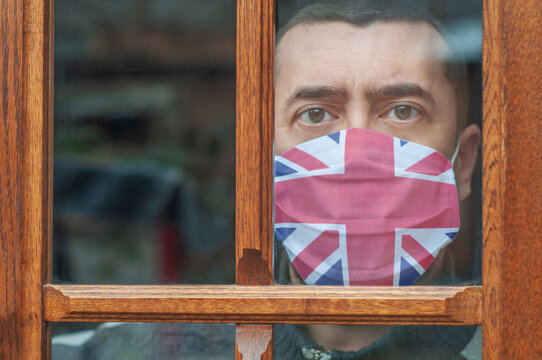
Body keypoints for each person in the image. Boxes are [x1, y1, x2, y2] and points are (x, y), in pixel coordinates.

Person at [53, 1, 481, 359]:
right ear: (260, 161)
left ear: (463, 166)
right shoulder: (135, 349)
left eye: (403, 110)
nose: (357, 153)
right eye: (315, 114)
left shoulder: (507, 344)